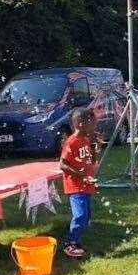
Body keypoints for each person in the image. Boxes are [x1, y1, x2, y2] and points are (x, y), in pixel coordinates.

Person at [59, 108, 100, 258]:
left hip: (86, 185)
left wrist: (96, 148)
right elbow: (62, 165)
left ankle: (75, 241)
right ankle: (69, 244)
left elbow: (92, 161)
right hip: (76, 186)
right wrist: (81, 176)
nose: (95, 126)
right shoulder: (71, 142)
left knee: (86, 215)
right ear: (81, 124)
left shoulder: (86, 140)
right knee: (81, 215)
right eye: (92, 123)